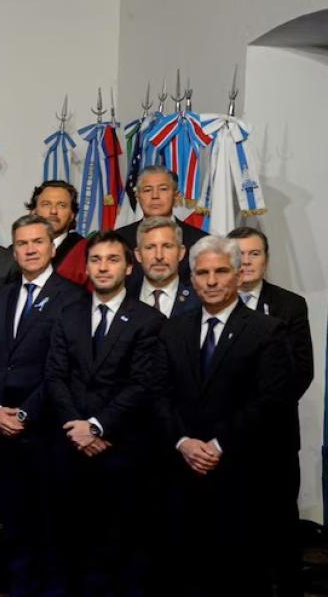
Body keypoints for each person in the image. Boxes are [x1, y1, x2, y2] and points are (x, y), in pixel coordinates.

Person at [156, 235, 289, 596]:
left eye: (220, 271)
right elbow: (159, 395)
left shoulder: (268, 331)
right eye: (202, 273)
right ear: (192, 278)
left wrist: (218, 444)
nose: (211, 281)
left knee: (241, 578)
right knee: (186, 576)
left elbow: (270, 400)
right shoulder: (172, 330)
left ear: (237, 274)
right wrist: (183, 442)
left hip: (240, 476)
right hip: (183, 474)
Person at [44, 231, 165, 595]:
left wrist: (96, 426)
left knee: (118, 543)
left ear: (129, 267)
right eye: (96, 259)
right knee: (69, 541)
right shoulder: (68, 314)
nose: (103, 267)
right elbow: (55, 375)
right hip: (69, 446)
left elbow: (143, 385)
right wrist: (77, 428)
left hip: (120, 446)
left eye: (112, 259)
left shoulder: (148, 320)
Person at [0, 213, 84, 595]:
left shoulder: (73, 298)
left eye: (37, 242)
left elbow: (65, 367)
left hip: (45, 429)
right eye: (21, 243)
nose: (29, 249)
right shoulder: (2, 296)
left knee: (50, 522)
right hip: (1, 428)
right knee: (13, 521)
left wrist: (25, 412)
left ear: (52, 247)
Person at [228, 226, 313, 596]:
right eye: (239, 255)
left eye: (254, 254)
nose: (246, 262)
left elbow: (300, 371)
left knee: (280, 526)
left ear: (266, 258)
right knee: (234, 527)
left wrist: (259, 414)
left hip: (274, 437)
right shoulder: (212, 300)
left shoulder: (289, 305)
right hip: (225, 438)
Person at [114, 165, 208, 283]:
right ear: (137, 197)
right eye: (147, 190)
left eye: (163, 189)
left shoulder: (201, 241)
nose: (155, 196)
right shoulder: (118, 240)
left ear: (176, 196)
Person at [127, 216, 198, 318]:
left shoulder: (199, 300)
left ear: (181, 253)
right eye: (150, 247)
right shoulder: (125, 297)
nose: (159, 256)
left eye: (167, 246)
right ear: (138, 255)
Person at [26, 179, 88, 286]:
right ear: (34, 211)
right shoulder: (15, 252)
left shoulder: (85, 251)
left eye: (61, 205)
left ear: (72, 215)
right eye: (46, 204)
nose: (53, 211)